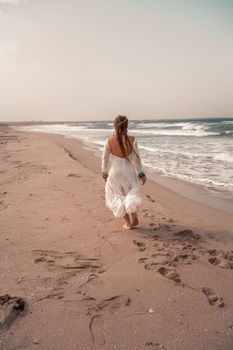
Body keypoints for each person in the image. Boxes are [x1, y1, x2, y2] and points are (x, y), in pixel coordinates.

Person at [101, 115, 146, 229]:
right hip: (129, 172)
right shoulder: (132, 139)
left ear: (115, 125)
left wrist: (104, 173)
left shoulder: (109, 141)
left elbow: (105, 160)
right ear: (127, 125)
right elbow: (137, 159)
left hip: (115, 172)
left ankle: (128, 223)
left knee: (118, 196)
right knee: (131, 193)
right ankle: (134, 215)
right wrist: (141, 174)